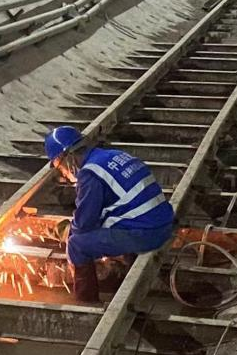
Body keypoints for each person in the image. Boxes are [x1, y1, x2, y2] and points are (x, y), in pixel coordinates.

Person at [44, 125, 175, 302]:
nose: (64, 174)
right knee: (110, 222)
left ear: (66, 158)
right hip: (164, 222)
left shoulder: (89, 174)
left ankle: (86, 303)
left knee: (76, 245)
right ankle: (128, 270)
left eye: (60, 167)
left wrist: (68, 231)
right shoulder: (111, 155)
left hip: (147, 234)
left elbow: (85, 224)